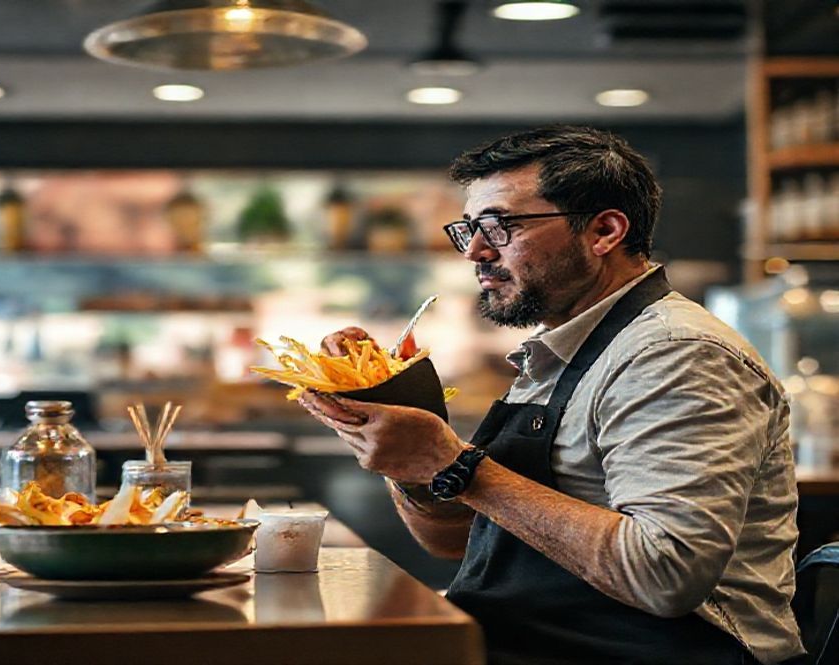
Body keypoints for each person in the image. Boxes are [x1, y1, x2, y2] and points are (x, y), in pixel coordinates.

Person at [299, 126, 805, 665]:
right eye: (469, 228)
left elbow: (665, 574)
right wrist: (411, 463)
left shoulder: (675, 354)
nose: (475, 251)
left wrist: (457, 465)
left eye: (499, 225)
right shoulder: (561, 349)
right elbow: (453, 541)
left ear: (604, 230)